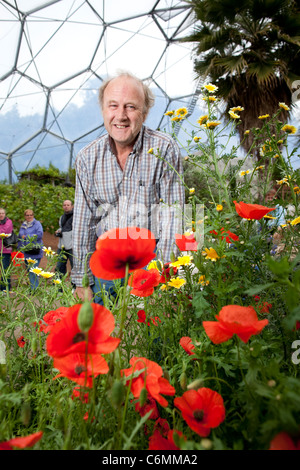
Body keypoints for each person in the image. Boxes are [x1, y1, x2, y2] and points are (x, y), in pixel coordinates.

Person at [71, 71, 185, 304]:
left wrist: (160, 273)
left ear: (144, 113)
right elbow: (83, 221)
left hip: (149, 263)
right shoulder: (87, 157)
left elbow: (174, 216)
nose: (120, 116)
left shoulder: (164, 149)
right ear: (103, 109)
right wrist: (82, 280)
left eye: (130, 107)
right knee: (108, 336)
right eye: (113, 105)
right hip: (104, 265)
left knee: (149, 337)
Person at [18, 209, 43, 290]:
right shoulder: (23, 225)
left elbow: (39, 234)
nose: (29, 216)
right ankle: (34, 288)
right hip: (26, 252)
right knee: (29, 271)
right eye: (27, 215)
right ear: (25, 216)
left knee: (33, 271)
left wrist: (27, 236)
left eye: (31, 215)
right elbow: (20, 235)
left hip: (35, 251)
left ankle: (34, 290)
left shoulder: (37, 224)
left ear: (33, 215)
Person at [55, 200, 74, 278]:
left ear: (72, 206)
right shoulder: (62, 217)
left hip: (72, 247)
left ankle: (75, 288)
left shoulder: (75, 217)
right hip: (62, 247)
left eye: (68, 205)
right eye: (64, 205)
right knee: (59, 268)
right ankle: (58, 288)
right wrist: (58, 231)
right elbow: (62, 228)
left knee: (75, 268)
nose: (66, 206)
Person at [0, 208, 13, 292]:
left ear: (5, 214)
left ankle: (5, 288)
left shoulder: (9, 222)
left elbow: (5, 232)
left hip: (5, 250)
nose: (1, 215)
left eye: (2, 213)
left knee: (5, 269)